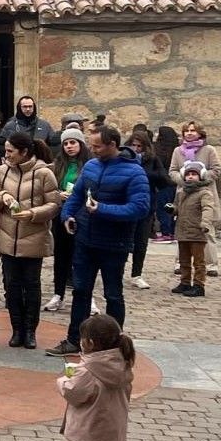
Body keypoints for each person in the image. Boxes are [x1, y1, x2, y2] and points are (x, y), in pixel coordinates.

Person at [46, 127, 151, 357]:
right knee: (81, 291)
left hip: (115, 243)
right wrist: (68, 216)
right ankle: (75, 339)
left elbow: (140, 207)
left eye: (97, 146)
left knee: (113, 293)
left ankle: (113, 346)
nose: (92, 150)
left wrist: (102, 209)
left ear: (113, 144)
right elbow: (77, 195)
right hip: (85, 239)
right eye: (91, 146)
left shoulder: (134, 172)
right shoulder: (92, 166)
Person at [56, 314, 154, 441]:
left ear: (89, 343)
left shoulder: (88, 369)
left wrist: (64, 380)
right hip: (112, 423)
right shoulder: (122, 362)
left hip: (90, 424)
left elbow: (75, 393)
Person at [0, 131, 62, 348]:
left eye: (11, 151)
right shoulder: (1, 172)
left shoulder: (44, 174)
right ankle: (16, 329)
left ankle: (30, 331)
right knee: (11, 285)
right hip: (7, 238)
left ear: (24, 152)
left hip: (34, 238)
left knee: (31, 285)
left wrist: (32, 213)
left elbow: (54, 205)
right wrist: (2, 196)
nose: (6, 154)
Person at [167, 120, 221, 276]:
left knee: (206, 229)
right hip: (184, 194)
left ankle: (211, 264)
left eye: (193, 130)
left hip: (204, 191)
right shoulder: (178, 151)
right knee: (183, 228)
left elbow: (216, 169)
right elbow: (173, 170)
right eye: (187, 131)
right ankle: (180, 262)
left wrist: (201, 179)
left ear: (200, 133)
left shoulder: (209, 150)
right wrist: (183, 180)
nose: (190, 133)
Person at [44, 129, 89, 312]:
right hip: (61, 215)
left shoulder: (88, 165)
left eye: (73, 143)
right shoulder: (57, 165)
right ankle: (58, 294)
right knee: (61, 257)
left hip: (82, 215)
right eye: (66, 143)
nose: (69, 147)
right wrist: (57, 195)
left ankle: (86, 295)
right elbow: (48, 188)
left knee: (82, 258)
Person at [124, 129, 169, 290]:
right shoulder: (124, 158)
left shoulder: (152, 160)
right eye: (133, 145)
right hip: (126, 204)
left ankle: (137, 274)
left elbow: (164, 179)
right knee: (124, 240)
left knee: (141, 241)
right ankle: (119, 270)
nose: (136, 149)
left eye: (139, 146)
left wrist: (143, 174)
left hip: (145, 205)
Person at [171, 161, 217, 298]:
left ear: (201, 176)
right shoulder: (181, 192)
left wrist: (205, 223)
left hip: (197, 231)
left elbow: (208, 208)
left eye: (194, 174)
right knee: (184, 260)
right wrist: (172, 209)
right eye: (188, 174)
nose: (190, 177)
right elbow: (177, 207)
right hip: (183, 231)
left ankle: (199, 285)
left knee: (198, 261)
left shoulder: (204, 193)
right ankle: (185, 282)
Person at [152, 125, 181, 241]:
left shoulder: (158, 150)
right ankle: (173, 232)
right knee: (174, 209)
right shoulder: (178, 150)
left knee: (163, 208)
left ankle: (166, 233)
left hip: (163, 184)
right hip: (176, 183)